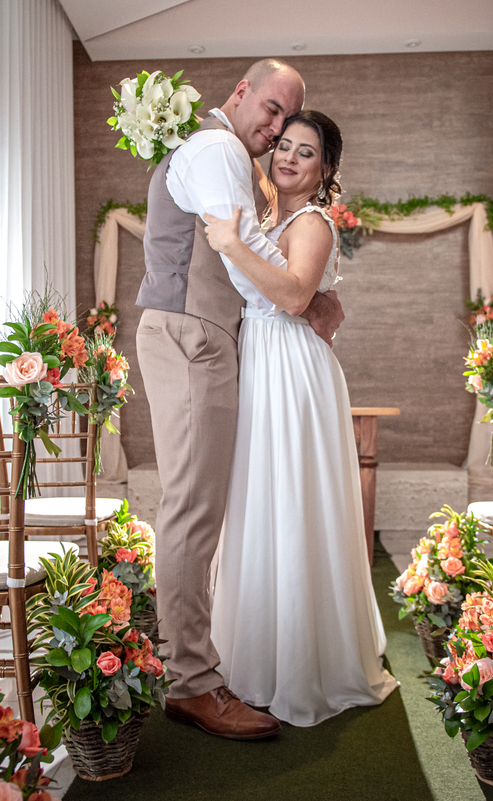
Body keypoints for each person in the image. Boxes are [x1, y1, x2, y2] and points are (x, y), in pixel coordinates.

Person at [135, 59, 345, 740]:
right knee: (193, 508)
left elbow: (257, 255)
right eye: (273, 110)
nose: (277, 128)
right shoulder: (219, 148)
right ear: (240, 93)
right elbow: (242, 253)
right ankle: (193, 682)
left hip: (213, 338)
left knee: (209, 506)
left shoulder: (226, 156)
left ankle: (203, 664)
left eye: (290, 121)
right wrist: (302, 299)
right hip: (193, 334)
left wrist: (309, 297)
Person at [201, 111, 398, 727]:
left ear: (325, 170)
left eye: (304, 152)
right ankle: (257, 656)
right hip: (262, 365)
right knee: (261, 500)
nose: (287, 157)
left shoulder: (310, 221)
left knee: (294, 500)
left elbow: (292, 296)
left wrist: (231, 245)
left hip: (291, 370)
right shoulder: (271, 217)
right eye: (283, 145)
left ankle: (308, 663)